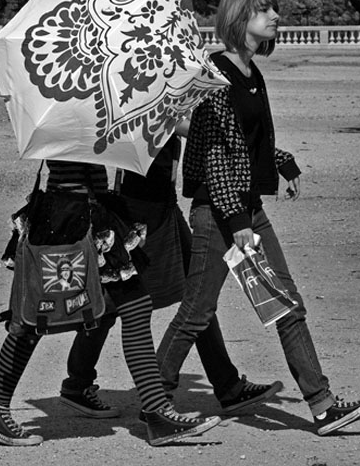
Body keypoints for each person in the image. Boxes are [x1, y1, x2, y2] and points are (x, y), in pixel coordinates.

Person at [155, 0, 360, 436]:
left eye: (273, 9)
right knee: (196, 314)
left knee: (287, 305)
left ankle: (322, 406)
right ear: (240, 18)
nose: (275, 16)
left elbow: (247, 144)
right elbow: (217, 157)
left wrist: (281, 162)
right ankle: (155, 403)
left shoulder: (250, 73)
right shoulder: (217, 74)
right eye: (264, 10)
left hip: (246, 205)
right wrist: (237, 222)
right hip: (218, 213)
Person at [0, 160, 221, 446]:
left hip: (82, 212)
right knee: (35, 316)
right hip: (72, 216)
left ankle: (154, 411)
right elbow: (72, 162)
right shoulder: (68, 116)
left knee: (125, 305)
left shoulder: (72, 115)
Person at [58, 132, 282, 420]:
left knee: (197, 294)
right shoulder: (147, 91)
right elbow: (175, 123)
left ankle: (227, 386)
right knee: (118, 298)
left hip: (163, 204)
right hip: (142, 207)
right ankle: (82, 382)